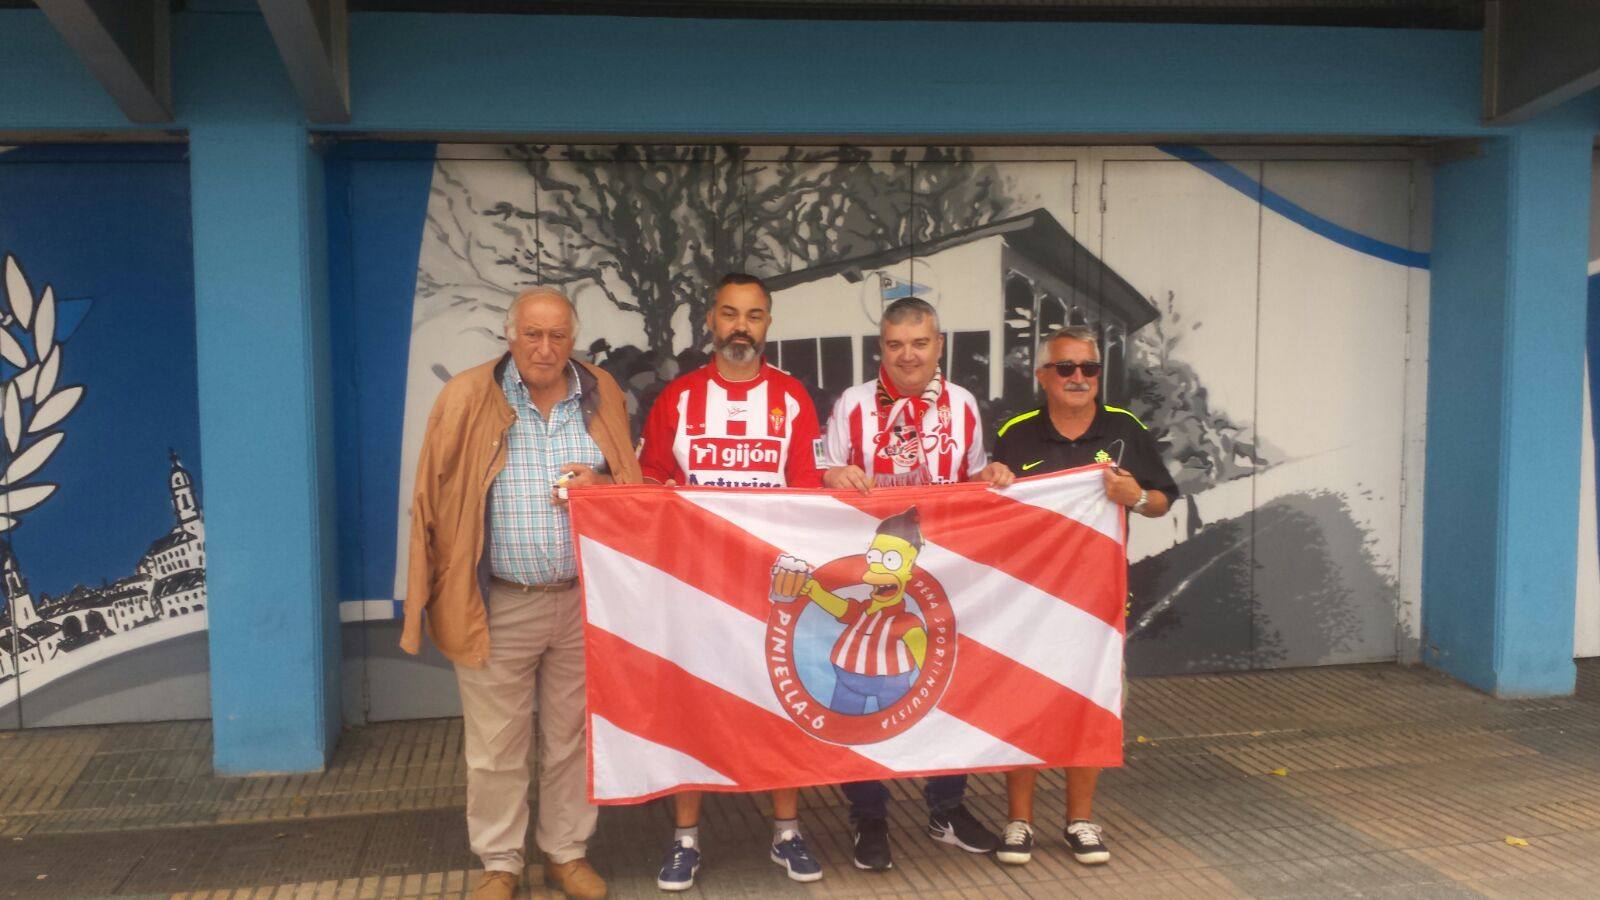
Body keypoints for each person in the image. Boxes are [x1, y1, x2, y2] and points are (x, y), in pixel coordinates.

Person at [402, 288, 640, 900]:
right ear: (509, 336)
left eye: (557, 335)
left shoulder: (600, 392)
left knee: (571, 737)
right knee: (495, 745)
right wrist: (423, 597)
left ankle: (566, 852)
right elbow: (431, 496)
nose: (545, 348)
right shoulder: (466, 396)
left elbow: (630, 485)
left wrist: (603, 482)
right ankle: (500, 862)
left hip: (581, 598)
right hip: (497, 602)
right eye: (532, 334)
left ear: (573, 338)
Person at [638, 273, 826, 890]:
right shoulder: (680, 398)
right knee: (692, 706)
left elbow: (807, 495)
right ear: (711, 322)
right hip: (696, 585)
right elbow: (649, 482)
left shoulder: (793, 397)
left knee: (781, 704)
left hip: (772, 586)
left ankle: (787, 833)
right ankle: (686, 840)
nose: (741, 326)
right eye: (729, 314)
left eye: (753, 315)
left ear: (768, 324)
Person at [817, 295, 1012, 870]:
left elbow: (973, 474)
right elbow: (818, 479)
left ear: (939, 345)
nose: (908, 356)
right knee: (865, 696)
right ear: (881, 347)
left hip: (945, 576)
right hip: (870, 576)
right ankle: (869, 814)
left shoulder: (964, 404)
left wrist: (992, 474)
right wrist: (832, 473)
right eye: (896, 345)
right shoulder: (852, 405)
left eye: (920, 343)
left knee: (949, 686)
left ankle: (947, 807)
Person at [990, 324, 1178, 868]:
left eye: (1089, 369)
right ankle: (1019, 821)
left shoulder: (1125, 428)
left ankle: (1080, 820)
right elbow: (993, 504)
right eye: (1066, 368)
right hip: (1027, 597)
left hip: (1099, 595)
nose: (1078, 378)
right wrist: (992, 477)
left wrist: (1137, 495)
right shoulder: (1018, 432)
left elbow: (1162, 499)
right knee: (1022, 701)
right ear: (1043, 376)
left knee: (1089, 700)